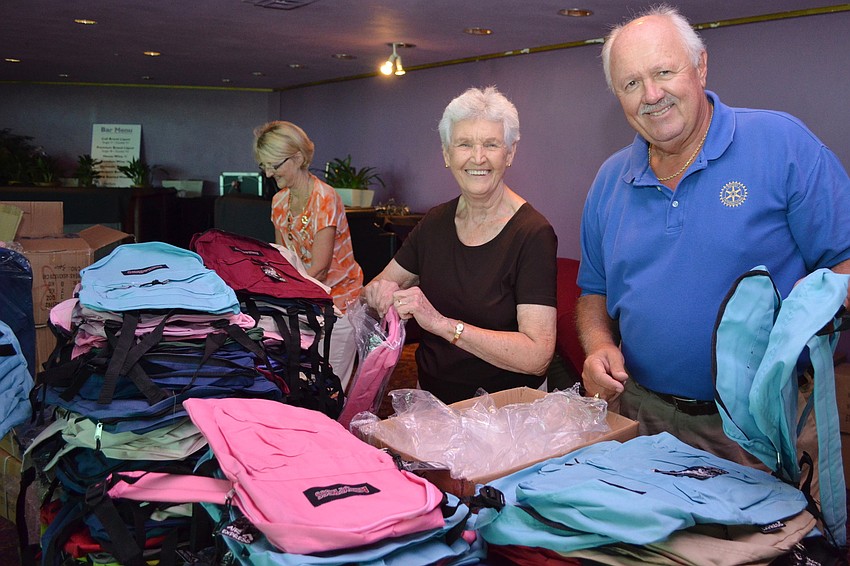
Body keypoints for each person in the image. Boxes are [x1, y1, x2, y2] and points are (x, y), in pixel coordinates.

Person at [576, 5, 850, 464]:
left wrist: (818, 305)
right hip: (642, 418)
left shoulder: (782, 144)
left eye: (664, 72)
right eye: (631, 83)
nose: (652, 94)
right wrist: (599, 345)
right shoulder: (609, 180)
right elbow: (593, 292)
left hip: (767, 421)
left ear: (700, 66)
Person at [362, 86, 558, 405]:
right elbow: (377, 287)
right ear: (446, 154)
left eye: (491, 144)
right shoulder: (434, 223)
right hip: (432, 403)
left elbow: (537, 356)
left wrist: (442, 325)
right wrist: (378, 293)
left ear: (509, 153)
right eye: (464, 144)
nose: (477, 158)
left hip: (506, 412)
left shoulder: (532, 233)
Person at [253, 121, 364, 390]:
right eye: (263, 165)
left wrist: (283, 293)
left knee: (330, 388)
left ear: (299, 158)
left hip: (339, 305)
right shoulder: (280, 201)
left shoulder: (325, 198)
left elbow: (320, 268)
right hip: (305, 303)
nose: (268, 173)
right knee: (301, 384)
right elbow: (284, 259)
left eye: (274, 165)